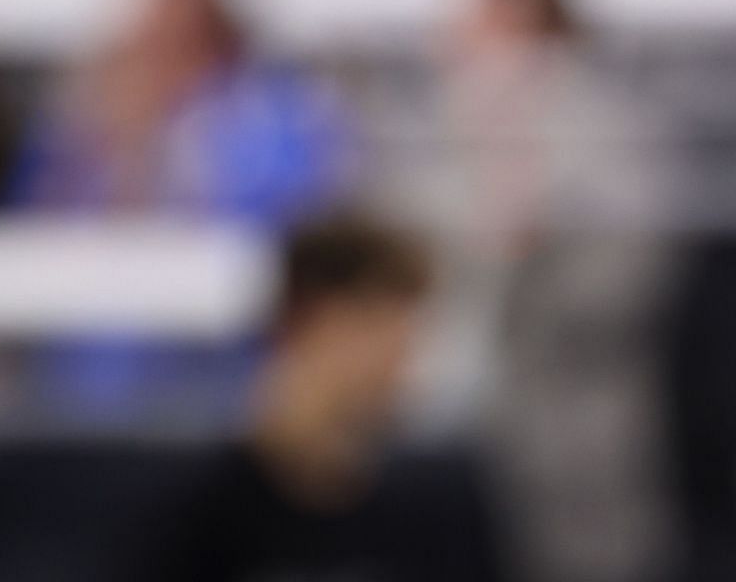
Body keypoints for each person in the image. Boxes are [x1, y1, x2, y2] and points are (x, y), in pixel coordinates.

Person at [118, 213, 509, 582]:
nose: (397, 356)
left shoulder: (439, 514)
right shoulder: (192, 518)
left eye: (406, 330)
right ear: (301, 321)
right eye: (373, 323)